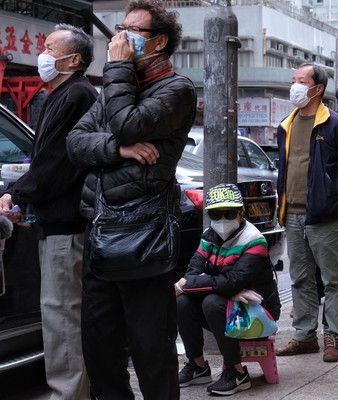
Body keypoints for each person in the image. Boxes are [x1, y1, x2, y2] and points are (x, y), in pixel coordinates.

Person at [65, 1, 197, 398]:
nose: (121, 38)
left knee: (150, 349)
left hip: (146, 236)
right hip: (101, 231)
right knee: (100, 348)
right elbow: (75, 143)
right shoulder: (115, 90)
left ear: (159, 42)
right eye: (121, 28)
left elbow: (127, 124)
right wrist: (119, 151)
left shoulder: (177, 90)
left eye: (134, 31)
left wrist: (118, 70)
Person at [0, 24, 97, 400]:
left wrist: (17, 195)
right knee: (60, 314)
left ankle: (69, 394)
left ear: (72, 59)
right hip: (54, 220)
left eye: (49, 47)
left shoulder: (77, 95)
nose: (42, 53)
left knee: (62, 315)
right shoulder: (60, 94)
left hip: (66, 224)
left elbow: (57, 164)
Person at [275, 62, 338, 362]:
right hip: (292, 213)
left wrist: (333, 194)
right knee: (300, 278)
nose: (295, 85)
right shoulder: (286, 125)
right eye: (293, 80)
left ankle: (333, 337)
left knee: (332, 279)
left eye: (301, 80)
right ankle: (304, 337)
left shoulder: (336, 124)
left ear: (317, 88)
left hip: (324, 215)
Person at [175, 183, 280, 396]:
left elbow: (231, 282)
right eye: (215, 214)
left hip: (261, 313)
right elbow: (193, 271)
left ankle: (237, 372)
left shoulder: (254, 241)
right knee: (182, 302)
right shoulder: (208, 236)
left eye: (229, 212)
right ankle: (198, 366)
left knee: (211, 302)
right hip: (230, 307)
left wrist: (184, 285)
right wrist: (210, 285)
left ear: (241, 214)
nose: (222, 219)